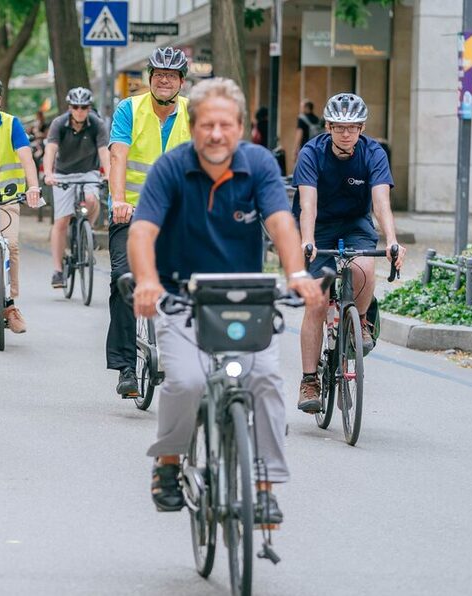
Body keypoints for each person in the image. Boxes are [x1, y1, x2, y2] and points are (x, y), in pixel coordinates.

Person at [128, 77, 325, 517]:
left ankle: (264, 483)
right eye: (206, 125)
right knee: (187, 381)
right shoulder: (170, 169)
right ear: (193, 125)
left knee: (266, 381)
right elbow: (143, 231)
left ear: (240, 127)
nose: (216, 134)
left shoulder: (257, 164)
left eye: (226, 125)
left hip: (244, 296)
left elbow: (279, 222)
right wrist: (146, 280)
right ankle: (170, 461)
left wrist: (296, 272)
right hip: (181, 294)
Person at [294, 92, 406, 413]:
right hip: (320, 224)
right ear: (327, 126)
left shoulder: (373, 153)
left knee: (363, 269)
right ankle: (309, 380)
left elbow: (381, 202)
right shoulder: (311, 153)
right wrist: (307, 240)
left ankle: (360, 322)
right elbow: (307, 204)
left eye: (352, 127)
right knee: (316, 301)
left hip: (356, 223)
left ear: (362, 128)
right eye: (339, 126)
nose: (345, 133)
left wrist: (393, 240)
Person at [106, 47, 191, 398]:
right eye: (158, 75)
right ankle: (127, 365)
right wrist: (119, 200)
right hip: (134, 213)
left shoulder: (194, 113)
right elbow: (118, 156)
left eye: (171, 76)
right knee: (123, 278)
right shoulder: (129, 109)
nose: (165, 80)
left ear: (182, 82)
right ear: (150, 79)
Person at [0, 73, 42, 333]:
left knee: (10, 244)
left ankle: (10, 304)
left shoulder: (12, 124)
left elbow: (26, 158)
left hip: (7, 196)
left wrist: (33, 186)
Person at [42, 87, 110, 288]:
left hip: (89, 171)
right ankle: (58, 270)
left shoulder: (97, 124)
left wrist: (109, 174)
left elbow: (104, 152)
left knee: (92, 200)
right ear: (69, 107)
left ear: (89, 108)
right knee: (61, 221)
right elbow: (50, 150)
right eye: (76, 107)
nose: (80, 111)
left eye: (84, 107)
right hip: (63, 173)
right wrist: (48, 173)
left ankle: (84, 233)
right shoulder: (58, 124)